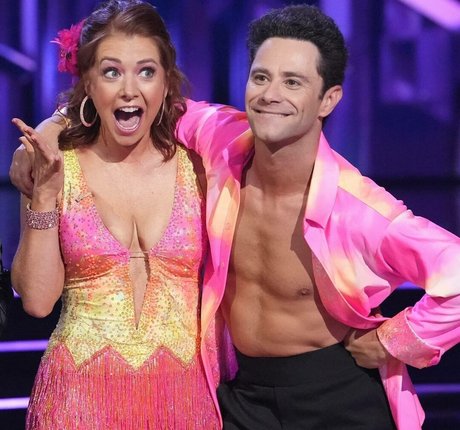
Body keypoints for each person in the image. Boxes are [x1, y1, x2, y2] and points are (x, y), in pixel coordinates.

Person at [10, 4, 460, 430]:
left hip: (334, 391)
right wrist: (52, 129)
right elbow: (136, 100)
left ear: (328, 99)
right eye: (261, 77)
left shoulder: (359, 210)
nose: (271, 95)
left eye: (293, 82)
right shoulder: (218, 140)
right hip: (241, 399)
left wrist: (394, 340)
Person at [10, 1, 230, 428]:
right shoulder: (54, 165)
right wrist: (44, 196)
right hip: (77, 404)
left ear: (166, 82)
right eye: (111, 72)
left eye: (146, 71)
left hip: (184, 404)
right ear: (88, 84)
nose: (129, 89)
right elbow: (36, 301)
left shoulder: (200, 168)